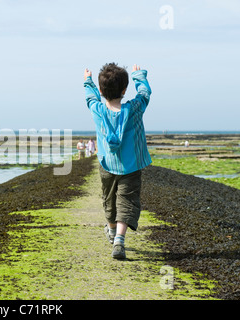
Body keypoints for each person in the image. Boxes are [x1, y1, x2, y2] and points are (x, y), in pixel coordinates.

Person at [84, 63, 152, 259]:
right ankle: (119, 240)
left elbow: (90, 97)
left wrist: (87, 80)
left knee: (109, 200)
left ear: (102, 91)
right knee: (127, 201)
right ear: (124, 90)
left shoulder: (97, 109)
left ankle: (112, 232)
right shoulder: (134, 109)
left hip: (107, 164)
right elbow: (145, 93)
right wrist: (138, 75)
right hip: (131, 166)